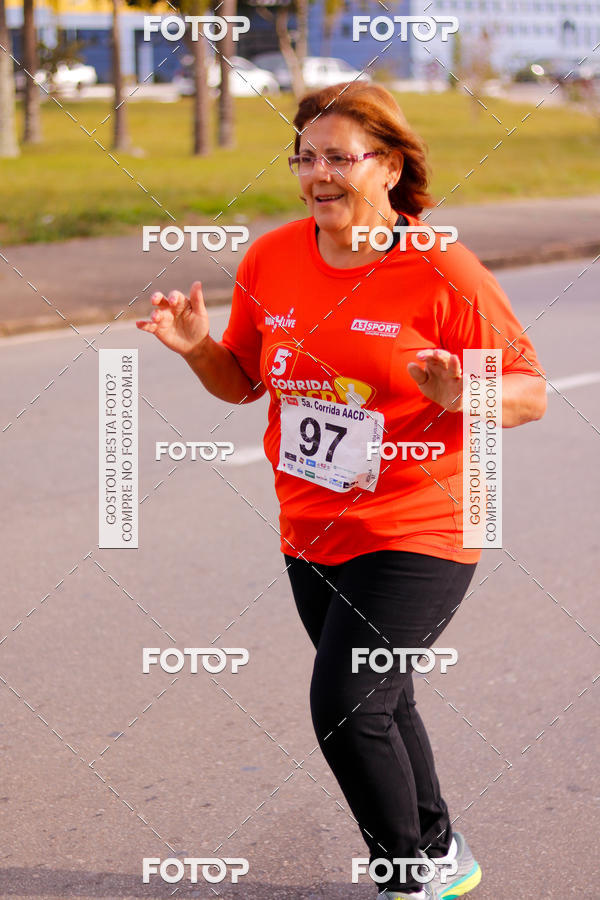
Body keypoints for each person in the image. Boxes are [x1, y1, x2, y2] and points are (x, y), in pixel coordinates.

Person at [137, 82, 546, 898]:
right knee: (384, 701)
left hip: (421, 524)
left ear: (390, 166)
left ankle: (410, 878)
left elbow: (529, 390)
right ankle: (440, 852)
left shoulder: (443, 268)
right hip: (312, 527)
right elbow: (244, 379)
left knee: (347, 706)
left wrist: (467, 395)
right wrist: (195, 347)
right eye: (305, 157)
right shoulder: (274, 256)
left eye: (339, 157)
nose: (317, 174)